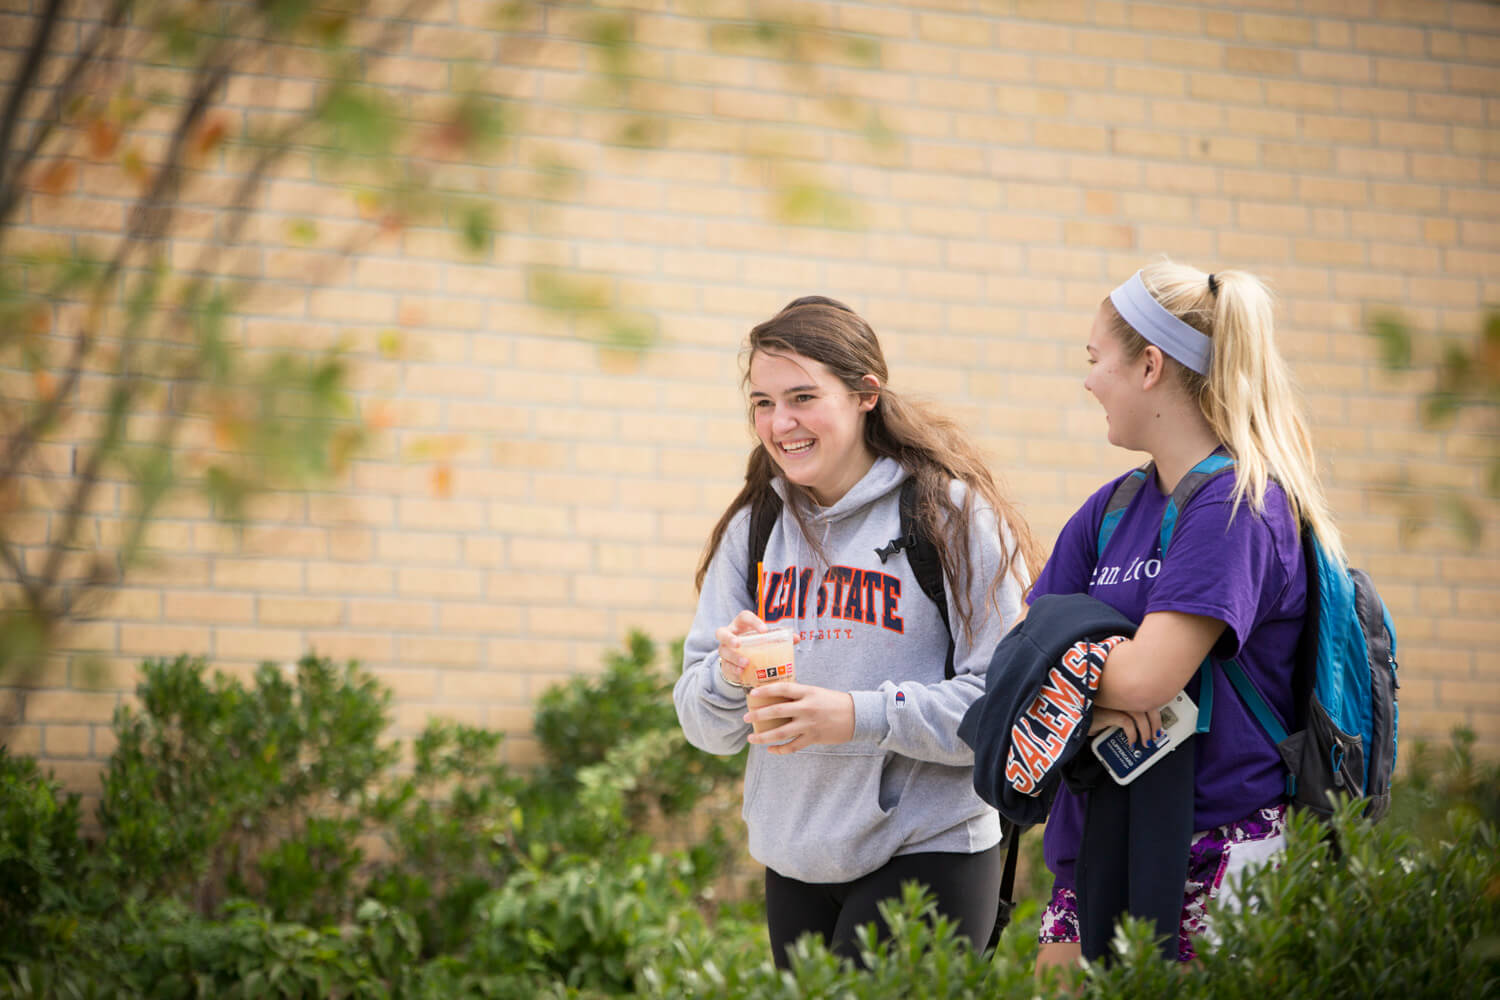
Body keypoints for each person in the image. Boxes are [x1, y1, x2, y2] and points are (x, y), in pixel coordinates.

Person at [673, 295, 1040, 968]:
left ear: (866, 393)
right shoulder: (753, 528)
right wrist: (730, 675)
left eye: (803, 397)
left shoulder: (948, 515)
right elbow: (705, 727)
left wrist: (855, 716)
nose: (780, 423)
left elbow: (1005, 706)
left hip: (930, 848)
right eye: (762, 402)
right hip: (796, 857)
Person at [1029, 258, 1344, 969]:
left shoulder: (1238, 507)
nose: (1087, 380)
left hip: (1215, 849)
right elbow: (1017, 660)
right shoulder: (1110, 510)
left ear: (1148, 365)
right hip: (1093, 841)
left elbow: (1144, 680)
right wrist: (1097, 693)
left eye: (1094, 359)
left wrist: (1076, 680)